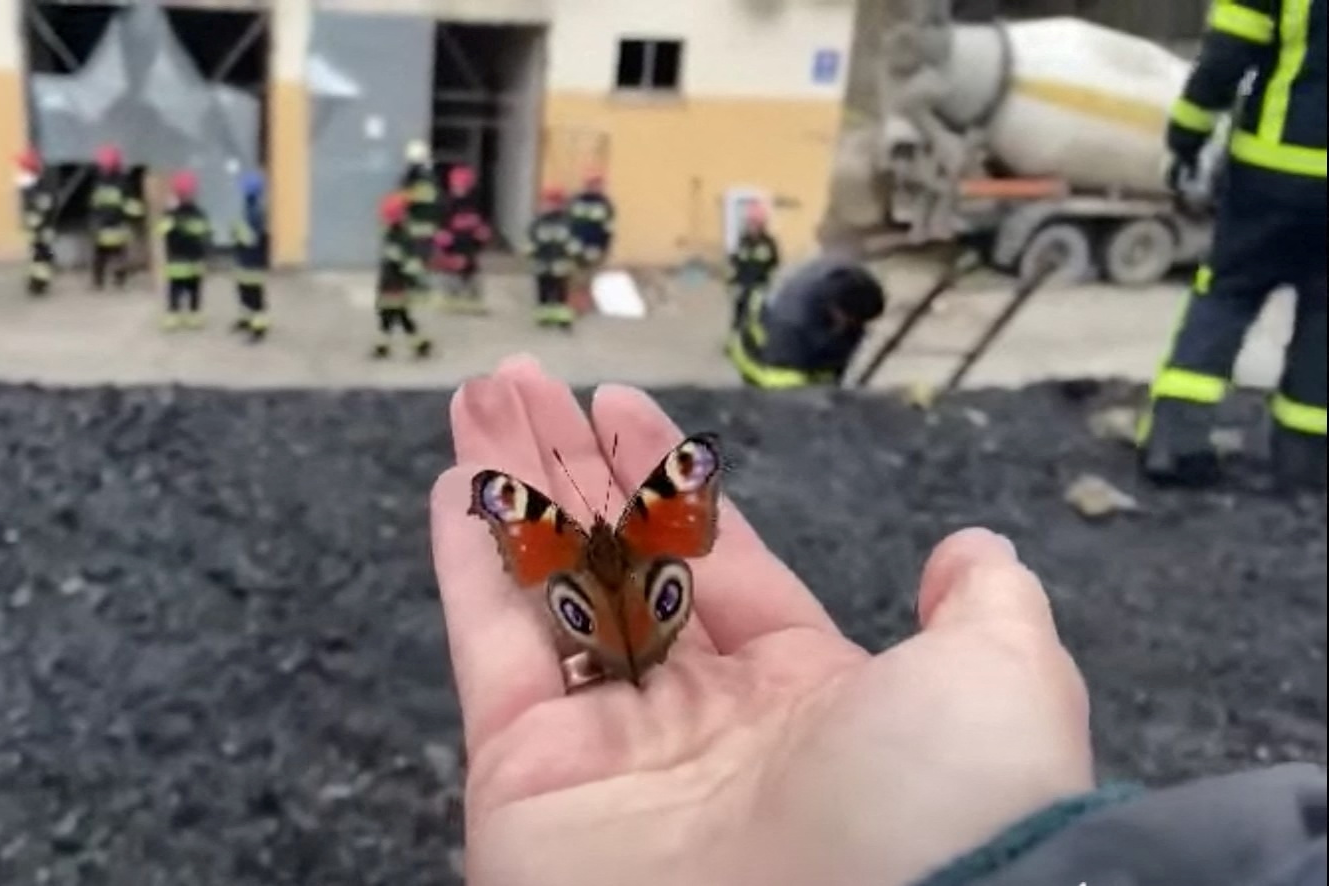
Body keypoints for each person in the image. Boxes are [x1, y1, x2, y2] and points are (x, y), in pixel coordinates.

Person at [431, 354, 1329, 886]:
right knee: (630, 597)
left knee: (597, 597)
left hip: (606, 602)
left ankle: (609, 613)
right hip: (651, 599)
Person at [1138, 0, 1326, 492]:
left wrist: (1185, 137)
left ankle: (1176, 447)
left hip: (1272, 175)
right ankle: (1307, 465)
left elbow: (1225, 56)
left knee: (1226, 295)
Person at [728, 253, 886, 388]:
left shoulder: (846, 279)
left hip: (797, 341)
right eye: (851, 321)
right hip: (761, 359)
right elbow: (784, 388)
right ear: (837, 311)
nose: (855, 327)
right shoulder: (792, 322)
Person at [372, 192, 434, 360]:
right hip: (394, 281)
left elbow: (399, 261)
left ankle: (389, 346)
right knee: (396, 315)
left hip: (392, 282)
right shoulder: (400, 233)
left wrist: (413, 280)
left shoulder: (395, 235)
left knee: (393, 315)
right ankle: (415, 344)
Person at [433, 165, 492, 315]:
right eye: (458, 186)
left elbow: (482, 222)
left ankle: (474, 302)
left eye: (464, 186)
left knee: (471, 274)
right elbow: (439, 224)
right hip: (452, 247)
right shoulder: (445, 204)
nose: (461, 189)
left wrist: (482, 236)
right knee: (450, 275)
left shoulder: (476, 203)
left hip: (470, 246)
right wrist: (442, 240)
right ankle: (451, 300)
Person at [156, 170, 210, 331]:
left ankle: (188, 315)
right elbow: (160, 231)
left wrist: (173, 218)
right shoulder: (197, 213)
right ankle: (182, 315)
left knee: (186, 290)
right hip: (183, 261)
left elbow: (203, 232)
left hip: (186, 260)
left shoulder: (178, 214)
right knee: (181, 289)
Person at [89, 144, 145, 291]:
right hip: (113, 225)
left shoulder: (99, 182)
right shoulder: (122, 182)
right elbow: (132, 206)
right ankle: (112, 279)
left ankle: (101, 281)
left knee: (104, 255)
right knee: (115, 254)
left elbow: (94, 204)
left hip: (108, 225)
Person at [528, 186, 580, 332]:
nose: (549, 206)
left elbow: (572, 241)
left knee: (560, 291)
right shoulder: (537, 222)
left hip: (560, 262)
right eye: (547, 203)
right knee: (543, 289)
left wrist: (575, 255)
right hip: (542, 262)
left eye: (554, 203)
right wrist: (531, 252)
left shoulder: (567, 222)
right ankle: (544, 317)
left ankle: (562, 319)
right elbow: (531, 239)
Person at [727, 200, 781, 335]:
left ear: (762, 224)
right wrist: (733, 276)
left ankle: (757, 341)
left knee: (757, 314)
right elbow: (737, 260)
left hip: (760, 284)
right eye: (750, 223)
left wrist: (766, 274)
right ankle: (735, 339)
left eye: (756, 223)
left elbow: (775, 262)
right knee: (740, 312)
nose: (753, 227)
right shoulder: (743, 241)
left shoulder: (769, 242)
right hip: (743, 283)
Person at [231, 169, 272, 342]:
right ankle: (247, 321)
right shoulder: (250, 207)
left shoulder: (255, 211)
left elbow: (251, 238)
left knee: (255, 296)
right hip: (245, 261)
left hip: (252, 262)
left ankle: (259, 329)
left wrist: (236, 229)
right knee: (244, 292)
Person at [566, 169, 616, 305]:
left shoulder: (605, 204)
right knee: (574, 276)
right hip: (575, 245)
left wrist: (605, 248)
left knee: (588, 277)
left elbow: (608, 229)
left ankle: (583, 302)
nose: (596, 186)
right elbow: (568, 224)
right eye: (593, 183)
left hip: (594, 246)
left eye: (598, 183)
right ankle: (572, 301)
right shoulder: (576, 201)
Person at [402, 139, 443, 297]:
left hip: (418, 221)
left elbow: (408, 198)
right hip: (426, 222)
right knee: (421, 255)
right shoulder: (430, 176)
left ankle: (417, 284)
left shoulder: (416, 176)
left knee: (416, 255)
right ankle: (418, 283)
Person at [14, 147, 55, 298]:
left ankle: (39, 283)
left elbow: (45, 207)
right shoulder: (29, 185)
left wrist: (37, 224)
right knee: (38, 256)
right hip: (37, 229)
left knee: (41, 257)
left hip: (41, 229)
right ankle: (37, 281)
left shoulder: (38, 187)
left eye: (22, 167)